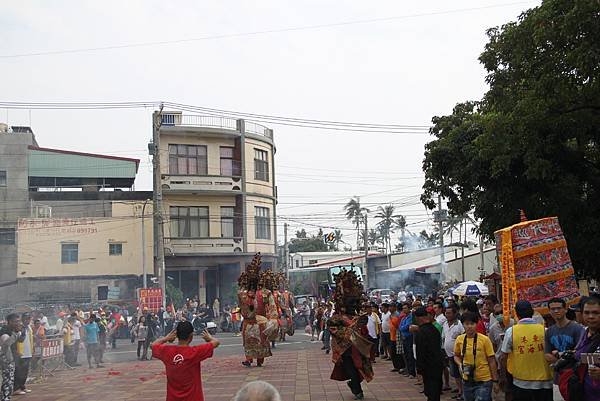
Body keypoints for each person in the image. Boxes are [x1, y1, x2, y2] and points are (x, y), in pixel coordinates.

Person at [500, 300, 553, 401]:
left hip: (521, 382)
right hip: (545, 382)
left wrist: (503, 377)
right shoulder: (545, 330)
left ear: (516, 313)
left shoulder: (511, 331)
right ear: (532, 312)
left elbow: (503, 357)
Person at [152, 322, 219, 401]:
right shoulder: (195, 352)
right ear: (191, 336)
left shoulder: (167, 351)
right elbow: (216, 342)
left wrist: (166, 338)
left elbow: (153, 345)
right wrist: (209, 338)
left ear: (176, 335)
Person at [238, 254, 278, 367]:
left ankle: (259, 360)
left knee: (259, 342)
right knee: (248, 343)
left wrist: (273, 319)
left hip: (260, 321)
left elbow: (272, 307)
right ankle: (249, 359)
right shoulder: (243, 294)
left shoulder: (265, 293)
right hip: (248, 322)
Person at [544, 296, 585, 399]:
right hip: (558, 379)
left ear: (565, 310)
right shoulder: (549, 331)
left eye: (559, 308)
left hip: (575, 378)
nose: (556, 311)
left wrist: (559, 357)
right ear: (549, 312)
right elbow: (547, 355)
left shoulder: (577, 328)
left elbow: (579, 353)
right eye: (553, 309)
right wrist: (565, 357)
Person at [454, 312, 499, 401]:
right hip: (467, 380)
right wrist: (460, 364)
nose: (469, 326)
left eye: (472, 323)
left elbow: (492, 360)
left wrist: (495, 381)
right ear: (463, 325)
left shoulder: (485, 340)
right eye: (467, 324)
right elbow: (456, 355)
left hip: (483, 380)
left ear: (476, 324)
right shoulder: (460, 339)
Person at [414, 306, 444, 401]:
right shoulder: (435, 330)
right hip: (437, 365)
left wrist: (419, 368)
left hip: (428, 366)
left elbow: (420, 352)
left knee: (430, 392)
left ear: (419, 318)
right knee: (436, 391)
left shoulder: (421, 332)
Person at [574, 294, 600, 401]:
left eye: (595, 313)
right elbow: (587, 356)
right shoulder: (584, 332)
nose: (590, 316)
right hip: (586, 393)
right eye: (587, 312)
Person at [442, 304, 464, 400]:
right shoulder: (445, 324)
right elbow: (444, 337)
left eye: (449, 313)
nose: (447, 315)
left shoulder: (459, 324)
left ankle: (463, 392)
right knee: (455, 374)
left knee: (461, 373)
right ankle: (460, 390)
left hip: (459, 354)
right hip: (449, 354)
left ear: (455, 314)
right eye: (446, 313)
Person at [0, 313, 21, 401]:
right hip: (5, 359)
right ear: (10, 322)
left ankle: (5, 397)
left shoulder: (12, 330)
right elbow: (6, 344)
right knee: (7, 381)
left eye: (18, 321)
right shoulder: (5, 330)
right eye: (16, 321)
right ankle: (5, 398)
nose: (18, 323)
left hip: (10, 358)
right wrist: (15, 333)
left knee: (9, 381)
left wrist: (19, 333)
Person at [14, 313, 33, 395]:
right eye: (26, 319)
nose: (27, 320)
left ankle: (23, 386)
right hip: (21, 353)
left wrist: (32, 350)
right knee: (19, 372)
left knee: (25, 372)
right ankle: (16, 388)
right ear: (22, 319)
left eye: (29, 319)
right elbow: (18, 339)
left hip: (28, 352)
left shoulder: (29, 327)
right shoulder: (20, 328)